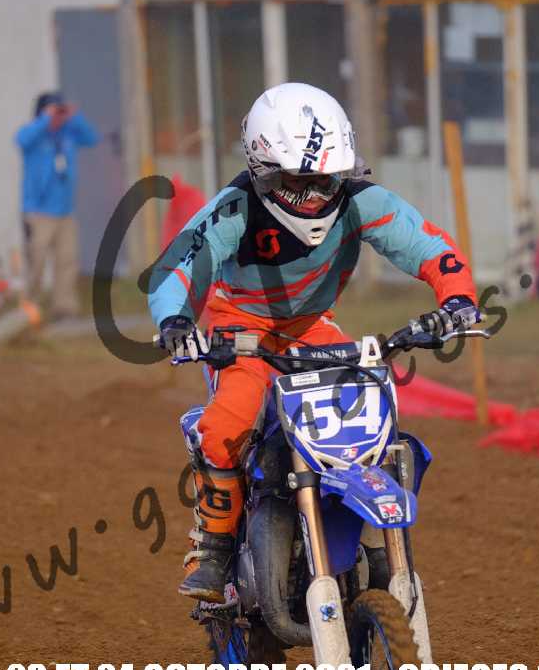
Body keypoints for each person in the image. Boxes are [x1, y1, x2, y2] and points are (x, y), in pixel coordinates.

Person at [148, 82, 481, 601]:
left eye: (327, 181)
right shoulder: (234, 209)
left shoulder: (361, 200)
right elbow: (178, 267)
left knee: (366, 409)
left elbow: (427, 244)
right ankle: (212, 548)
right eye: (300, 183)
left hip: (310, 326)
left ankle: (356, 532)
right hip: (241, 329)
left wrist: (457, 299)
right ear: (263, 168)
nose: (317, 196)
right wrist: (175, 322)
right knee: (230, 423)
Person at [15, 92, 99, 319]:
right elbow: (20, 140)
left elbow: (92, 138)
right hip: (38, 212)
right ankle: (29, 307)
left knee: (67, 260)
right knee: (36, 262)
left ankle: (64, 307)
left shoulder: (68, 133)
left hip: (65, 212)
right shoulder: (34, 135)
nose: (57, 116)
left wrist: (74, 116)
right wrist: (45, 119)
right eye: (53, 111)